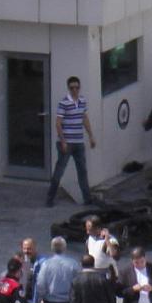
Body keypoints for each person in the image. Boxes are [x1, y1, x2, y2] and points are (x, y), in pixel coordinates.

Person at [45, 76, 96, 207]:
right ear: (68, 88)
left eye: (77, 87)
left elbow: (84, 118)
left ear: (79, 88)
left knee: (82, 171)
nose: (74, 90)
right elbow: (58, 123)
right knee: (59, 170)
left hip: (78, 142)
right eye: (72, 88)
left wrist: (91, 136)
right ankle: (50, 198)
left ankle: (87, 198)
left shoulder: (82, 101)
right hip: (67, 142)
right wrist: (63, 141)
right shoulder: (64, 103)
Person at [99, 237, 124, 303]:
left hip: (110, 279)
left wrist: (107, 241)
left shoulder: (111, 240)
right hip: (98, 278)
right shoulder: (90, 241)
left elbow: (115, 255)